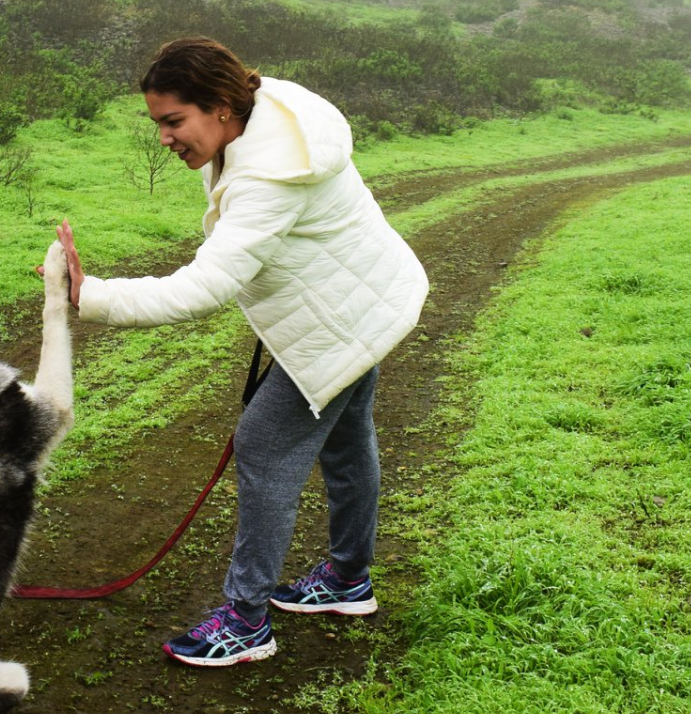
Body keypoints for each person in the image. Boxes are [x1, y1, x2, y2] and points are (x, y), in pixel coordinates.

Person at [48, 37, 428, 666]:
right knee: (346, 436)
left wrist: (92, 296)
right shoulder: (265, 111)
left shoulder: (270, 176)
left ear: (223, 106)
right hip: (366, 301)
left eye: (174, 121)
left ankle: (248, 622)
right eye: (158, 123)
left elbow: (205, 285)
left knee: (264, 442)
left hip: (343, 321)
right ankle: (347, 580)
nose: (165, 138)